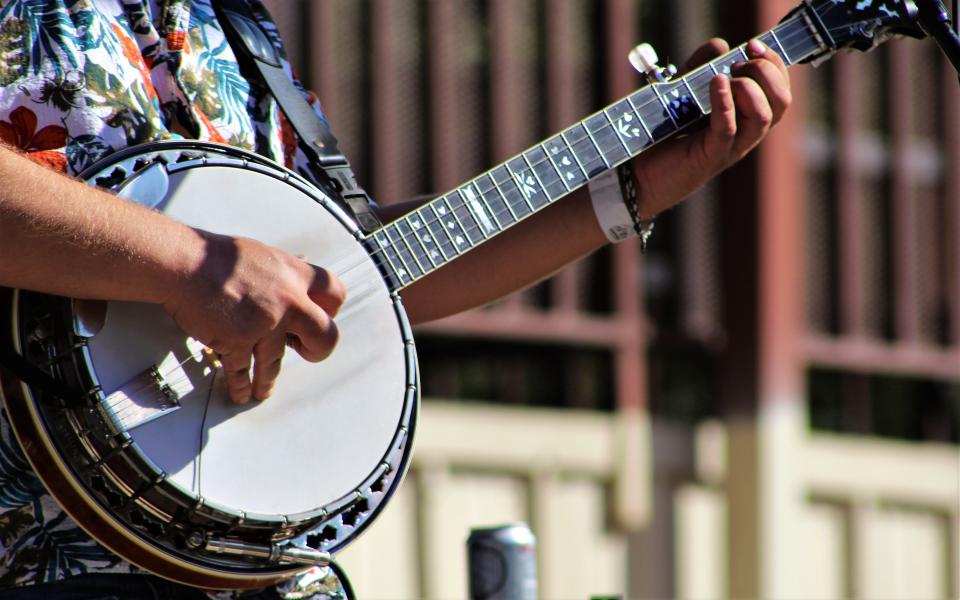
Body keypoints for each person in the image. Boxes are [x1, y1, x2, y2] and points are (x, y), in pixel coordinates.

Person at [0, 0, 791, 598]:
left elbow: (343, 275)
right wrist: (189, 263)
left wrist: (634, 188)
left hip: (250, 572)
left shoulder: (227, 24)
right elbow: (223, 274)